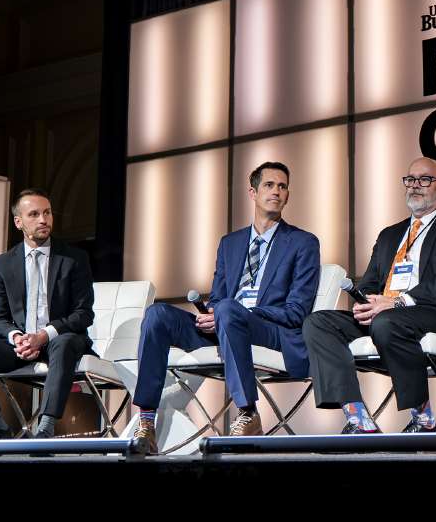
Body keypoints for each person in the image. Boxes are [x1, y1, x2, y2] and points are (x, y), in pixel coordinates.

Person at [130, 161, 320, 453]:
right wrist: (211, 315)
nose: (277, 191)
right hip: (225, 324)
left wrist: (237, 313)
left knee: (230, 310)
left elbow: (297, 312)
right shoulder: (230, 243)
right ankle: (146, 421)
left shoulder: (303, 243)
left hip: (270, 330)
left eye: (283, 186)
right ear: (252, 192)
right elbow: (218, 297)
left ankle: (247, 412)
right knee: (157, 315)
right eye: (269, 185)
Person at [303, 157, 436, 434]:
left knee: (388, 322)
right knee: (318, 322)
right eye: (410, 179)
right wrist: (365, 302)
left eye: (425, 180)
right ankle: (359, 419)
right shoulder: (390, 235)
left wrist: (400, 302)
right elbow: (370, 283)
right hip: (385, 314)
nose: (415, 186)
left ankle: (424, 419)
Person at [0, 188, 95, 439]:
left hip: (59, 339)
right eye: (35, 214)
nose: (44, 219)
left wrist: (43, 335)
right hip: (19, 345)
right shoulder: (3, 263)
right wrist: (17, 337)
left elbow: (83, 314)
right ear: (19, 222)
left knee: (63, 343)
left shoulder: (74, 258)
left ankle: (46, 429)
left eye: (47, 213)